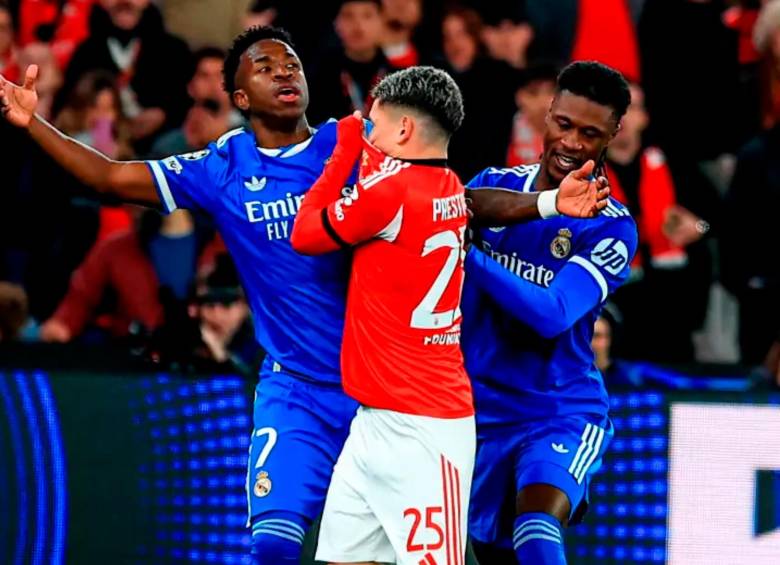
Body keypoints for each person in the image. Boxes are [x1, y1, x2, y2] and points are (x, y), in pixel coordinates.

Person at [0, 25, 607, 563]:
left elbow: (454, 198)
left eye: (290, 62)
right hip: (296, 389)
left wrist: (547, 204)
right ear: (239, 98)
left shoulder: (358, 148)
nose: (283, 72)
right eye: (263, 67)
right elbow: (109, 176)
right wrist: (34, 123)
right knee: (273, 543)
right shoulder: (220, 166)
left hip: (378, 393)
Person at [290, 65, 608, 565]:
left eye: (374, 125)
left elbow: (304, 234)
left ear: (403, 130)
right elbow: (474, 205)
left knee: (534, 529)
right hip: (385, 417)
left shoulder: (397, 193)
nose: (367, 133)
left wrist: (346, 149)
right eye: (563, 123)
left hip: (438, 421)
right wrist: (548, 203)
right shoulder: (451, 189)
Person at [461, 61, 638, 565]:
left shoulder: (612, 227)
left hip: (557, 411)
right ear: (548, 112)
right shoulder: (493, 186)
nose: (573, 143)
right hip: (478, 416)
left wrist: (469, 255)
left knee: (536, 528)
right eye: (564, 125)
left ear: (613, 135)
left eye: (590, 133)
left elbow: (554, 312)